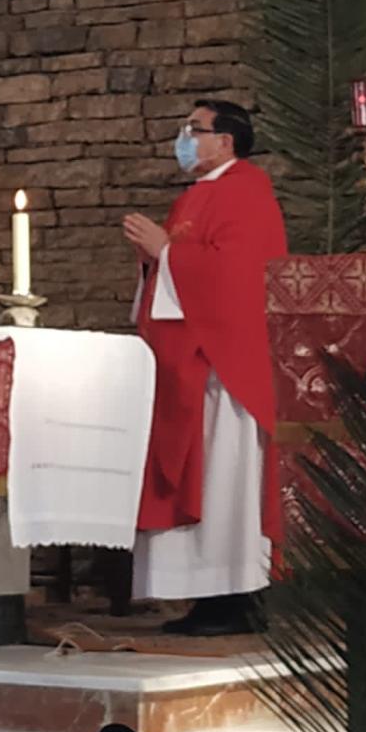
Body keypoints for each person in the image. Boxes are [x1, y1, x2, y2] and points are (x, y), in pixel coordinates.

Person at [122, 98, 286, 637]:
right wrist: (158, 258)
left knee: (225, 480)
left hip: (223, 366)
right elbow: (179, 270)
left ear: (227, 141)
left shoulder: (247, 189)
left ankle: (236, 596)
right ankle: (205, 596)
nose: (184, 138)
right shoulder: (197, 195)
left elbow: (240, 275)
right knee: (200, 475)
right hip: (185, 363)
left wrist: (167, 252)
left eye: (194, 129)